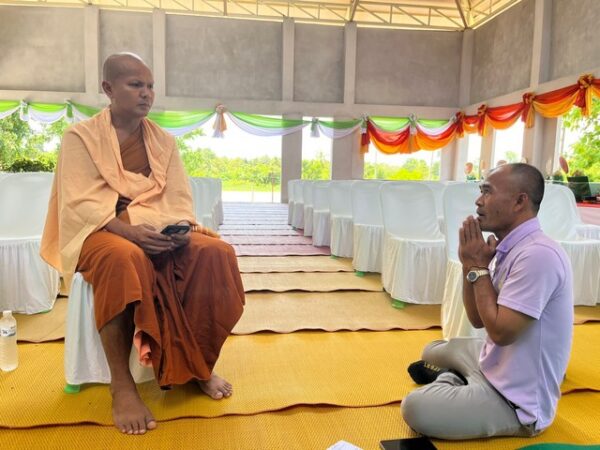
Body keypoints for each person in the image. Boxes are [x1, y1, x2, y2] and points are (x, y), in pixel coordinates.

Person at [41, 53, 245, 435]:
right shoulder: (80, 138)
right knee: (124, 258)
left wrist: (180, 227)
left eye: (150, 86)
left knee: (216, 254)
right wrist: (128, 229)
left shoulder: (163, 142)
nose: (146, 93)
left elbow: (178, 197)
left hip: (155, 227)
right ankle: (122, 385)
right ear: (108, 89)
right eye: (136, 84)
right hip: (101, 232)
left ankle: (198, 365)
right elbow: (80, 202)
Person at [401, 163, 573, 440]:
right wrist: (468, 263)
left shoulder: (538, 255)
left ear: (519, 201)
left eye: (487, 192)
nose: (478, 201)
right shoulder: (512, 247)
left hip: (515, 400)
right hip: (493, 362)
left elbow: (501, 333)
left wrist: (480, 269)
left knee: (415, 408)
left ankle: (453, 381)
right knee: (432, 349)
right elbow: (477, 318)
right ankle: (461, 380)